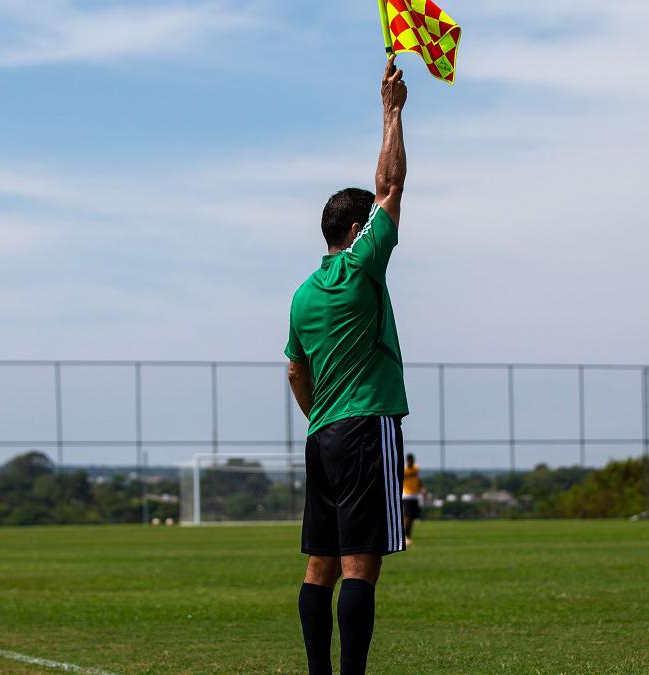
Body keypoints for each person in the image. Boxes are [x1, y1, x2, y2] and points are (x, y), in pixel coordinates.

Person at [284, 54, 409, 675]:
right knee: (362, 565)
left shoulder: (303, 293)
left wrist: (319, 414)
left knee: (320, 567)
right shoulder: (361, 267)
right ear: (356, 229)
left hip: (322, 435)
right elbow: (389, 188)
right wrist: (391, 113)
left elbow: (293, 372)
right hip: (367, 428)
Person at [401, 453, 425, 546]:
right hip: (406, 495)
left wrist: (422, 488)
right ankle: (404, 536)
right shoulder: (404, 469)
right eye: (409, 460)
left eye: (412, 460)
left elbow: (418, 480)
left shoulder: (416, 468)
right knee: (407, 516)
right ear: (407, 460)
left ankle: (408, 536)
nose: (411, 462)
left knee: (412, 517)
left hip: (415, 495)